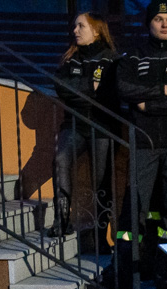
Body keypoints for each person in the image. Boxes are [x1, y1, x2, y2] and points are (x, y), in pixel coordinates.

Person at [111, 0, 167, 289]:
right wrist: (161, 91)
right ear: (148, 23)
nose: (165, 24)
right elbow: (123, 88)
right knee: (134, 209)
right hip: (144, 143)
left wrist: (147, 105)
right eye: (159, 19)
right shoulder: (133, 56)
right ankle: (126, 270)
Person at [48, 12, 120, 238]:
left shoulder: (111, 59)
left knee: (101, 178)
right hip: (74, 124)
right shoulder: (71, 59)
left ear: (96, 30)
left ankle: (100, 231)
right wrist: (91, 86)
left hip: (102, 125)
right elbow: (62, 89)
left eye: (81, 26)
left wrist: (79, 89)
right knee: (60, 159)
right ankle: (61, 220)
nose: (75, 31)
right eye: (75, 26)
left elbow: (109, 93)